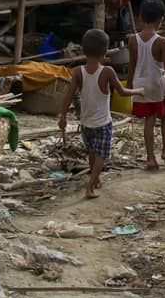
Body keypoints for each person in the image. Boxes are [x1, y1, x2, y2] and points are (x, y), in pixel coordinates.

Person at [57, 29, 141, 199]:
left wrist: (63, 116)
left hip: (86, 122)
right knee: (101, 155)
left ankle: (96, 179)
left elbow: (68, 95)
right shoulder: (107, 71)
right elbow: (123, 92)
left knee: (92, 153)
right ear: (104, 51)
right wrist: (139, 90)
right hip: (103, 123)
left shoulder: (78, 71)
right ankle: (90, 186)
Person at [127, 0, 165, 169]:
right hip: (158, 83)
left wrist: (129, 87)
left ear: (141, 18)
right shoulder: (162, 42)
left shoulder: (132, 40)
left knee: (148, 121)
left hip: (141, 84)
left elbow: (132, 64)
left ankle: (150, 158)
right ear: (161, 20)